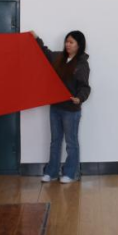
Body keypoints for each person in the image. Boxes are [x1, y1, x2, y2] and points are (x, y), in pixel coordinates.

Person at [33, 30, 90, 183]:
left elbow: (85, 87)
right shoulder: (59, 57)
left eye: (71, 42)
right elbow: (45, 53)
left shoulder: (82, 64)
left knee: (71, 142)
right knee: (55, 141)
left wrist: (79, 98)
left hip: (71, 110)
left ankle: (71, 173)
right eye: (67, 41)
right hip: (55, 107)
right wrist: (36, 38)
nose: (67, 44)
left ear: (79, 45)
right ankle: (51, 172)